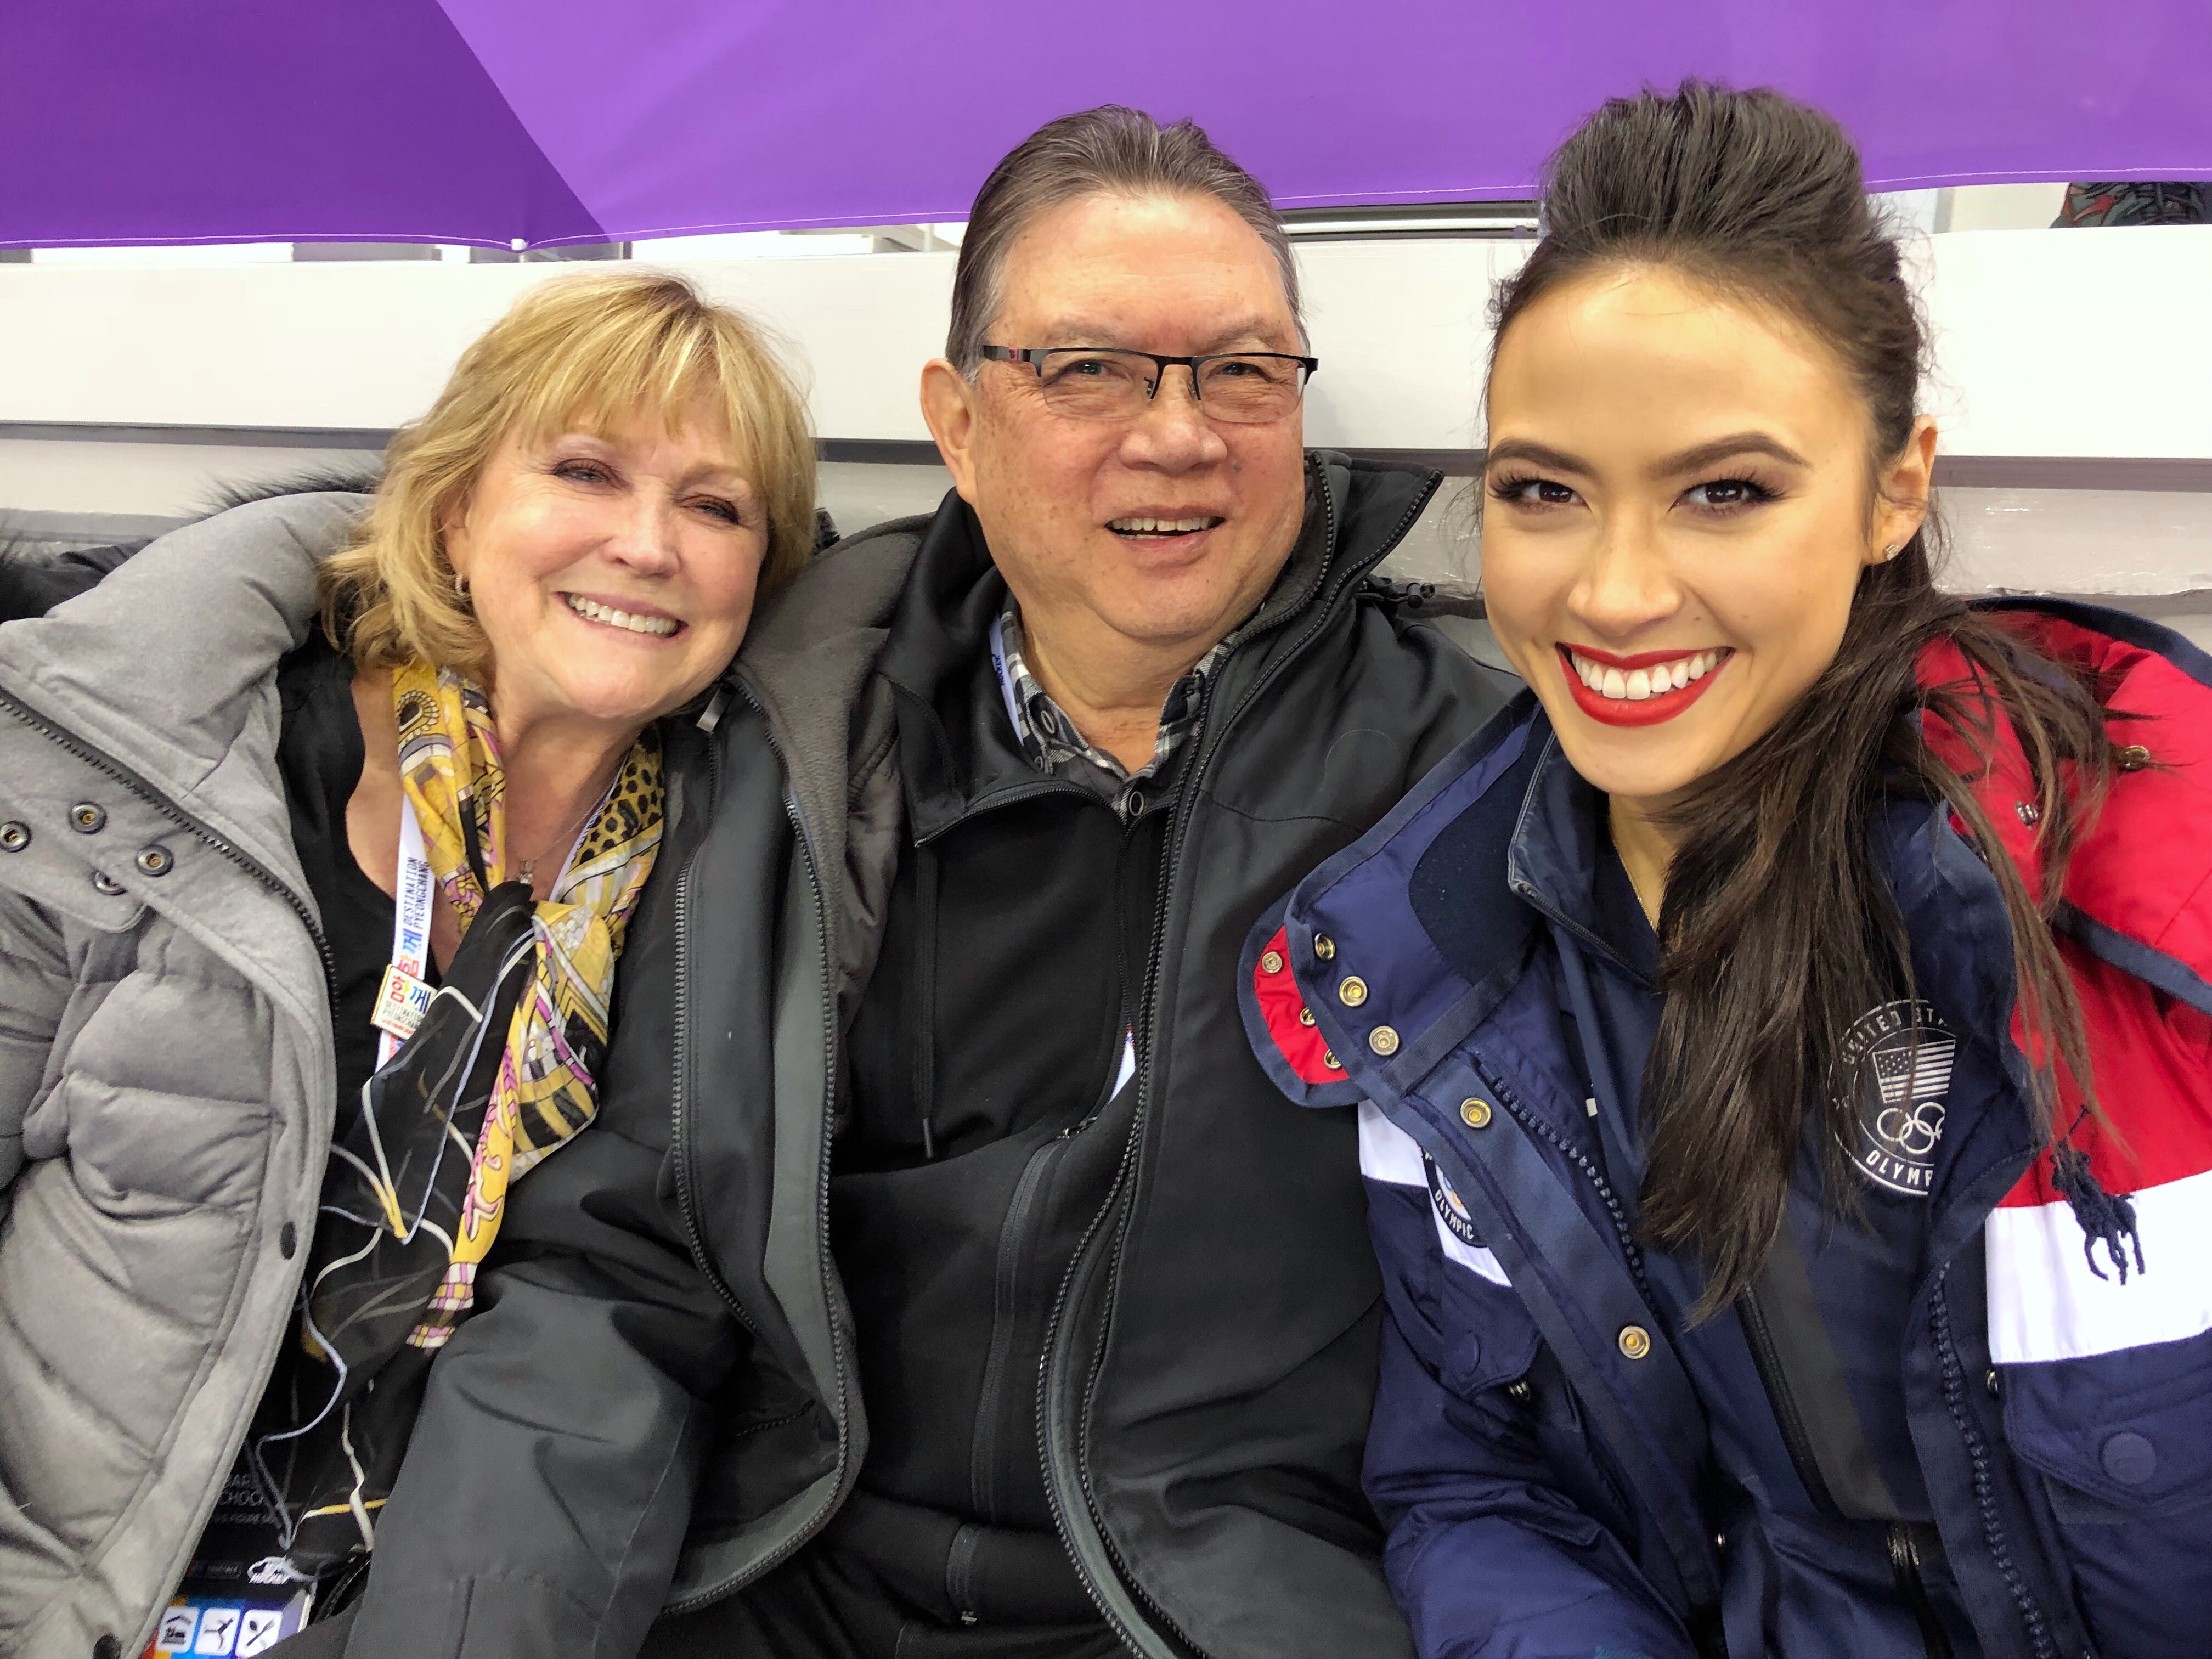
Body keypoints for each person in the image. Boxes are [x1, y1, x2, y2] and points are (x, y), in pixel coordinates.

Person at [329, 106, 1515, 1659]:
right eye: (1090, 368)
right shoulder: (795, 742)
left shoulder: (1463, 791)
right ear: (957, 424)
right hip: (786, 1568)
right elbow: (631, 1267)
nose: (1179, 432)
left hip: (1226, 1602)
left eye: (1242, 370)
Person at [1243, 81, 2212, 1659]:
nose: (1617, 592)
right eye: (1543, 490)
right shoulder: (1430, 967)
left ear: (1898, 487)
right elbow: (1479, 1485)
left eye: (1728, 491)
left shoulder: (2146, 901)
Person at [0, 269, 818, 1659]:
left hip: (420, 1594)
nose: (647, 543)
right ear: (454, 511)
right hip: (62, 1574)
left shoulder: (742, 875)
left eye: (715, 505)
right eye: (585, 470)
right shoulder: (162, 781)